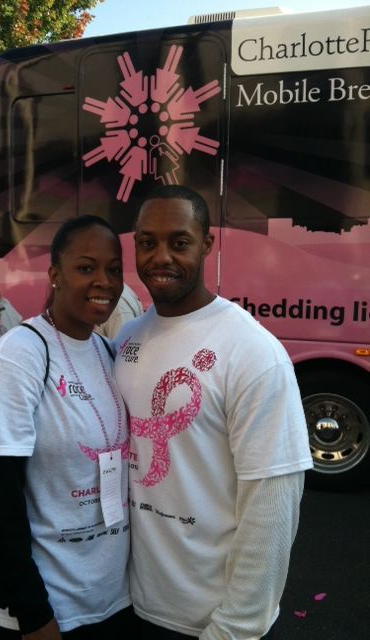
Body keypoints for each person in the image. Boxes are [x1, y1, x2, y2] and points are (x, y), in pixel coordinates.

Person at [113, 185, 314, 640]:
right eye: (147, 242)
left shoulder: (251, 351)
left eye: (179, 242)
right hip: (129, 603)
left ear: (206, 245)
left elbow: (273, 504)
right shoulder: (127, 338)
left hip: (209, 622)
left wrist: (235, 628)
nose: (161, 256)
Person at [0, 215, 137, 640]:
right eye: (86, 267)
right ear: (55, 275)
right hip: (44, 608)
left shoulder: (106, 351)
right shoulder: (17, 359)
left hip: (109, 597)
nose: (104, 281)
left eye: (114, 269)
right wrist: (33, 615)